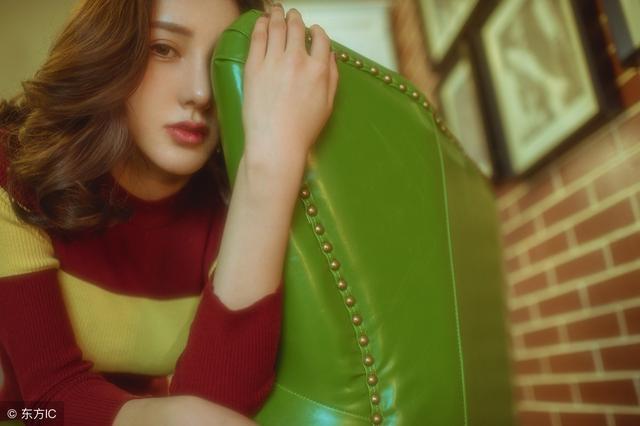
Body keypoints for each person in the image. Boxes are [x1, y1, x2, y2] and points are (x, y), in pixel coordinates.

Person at [0, 0, 338, 424]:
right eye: (163, 49)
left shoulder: (238, 202)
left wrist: (270, 168)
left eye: (219, 59)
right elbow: (46, 400)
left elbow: (217, 405)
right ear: (109, 46)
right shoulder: (14, 170)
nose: (200, 93)